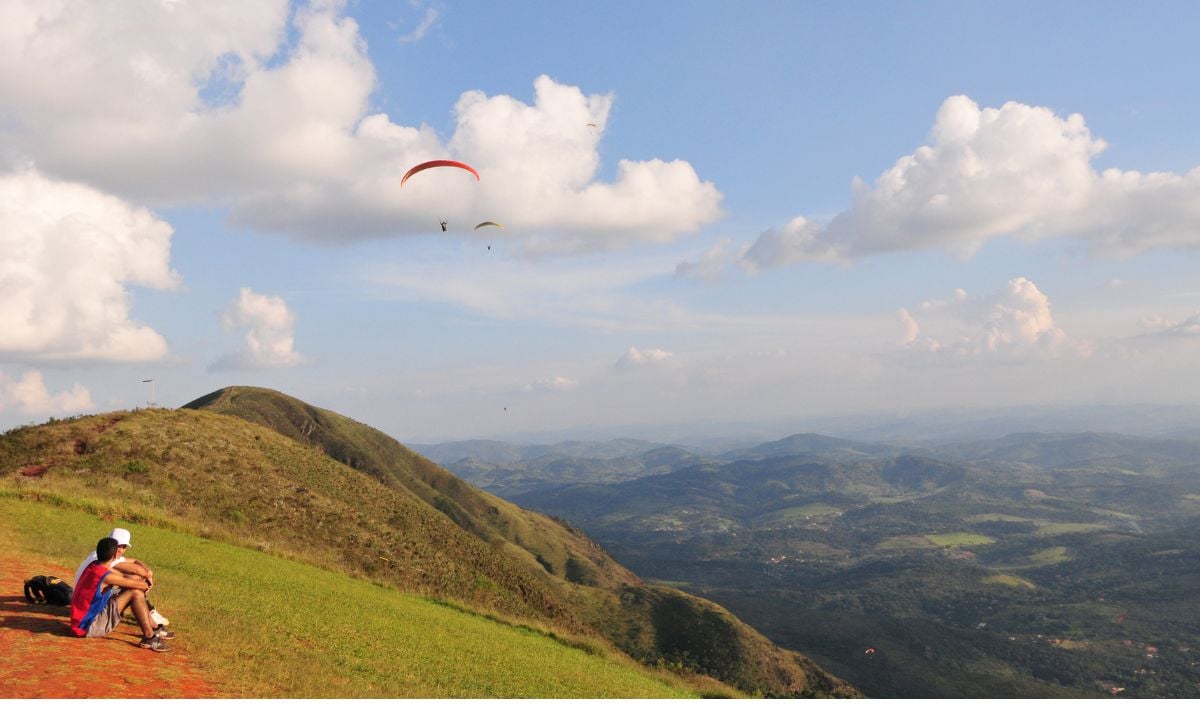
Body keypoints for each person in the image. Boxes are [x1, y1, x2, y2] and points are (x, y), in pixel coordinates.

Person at [70, 537, 173, 652]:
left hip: (82, 621)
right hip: (88, 626)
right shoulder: (106, 576)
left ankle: (153, 629)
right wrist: (145, 583)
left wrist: (139, 581)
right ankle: (149, 637)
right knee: (135, 592)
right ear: (114, 555)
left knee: (133, 588)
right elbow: (137, 585)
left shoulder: (95, 565)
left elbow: (123, 577)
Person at [73, 528, 170, 627]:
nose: (121, 550)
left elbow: (134, 561)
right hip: (88, 607)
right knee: (134, 586)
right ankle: (149, 617)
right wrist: (147, 580)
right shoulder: (107, 559)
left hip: (83, 600)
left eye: (124, 547)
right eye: (119, 546)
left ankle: (148, 613)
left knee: (133, 582)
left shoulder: (100, 554)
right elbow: (137, 570)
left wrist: (147, 572)